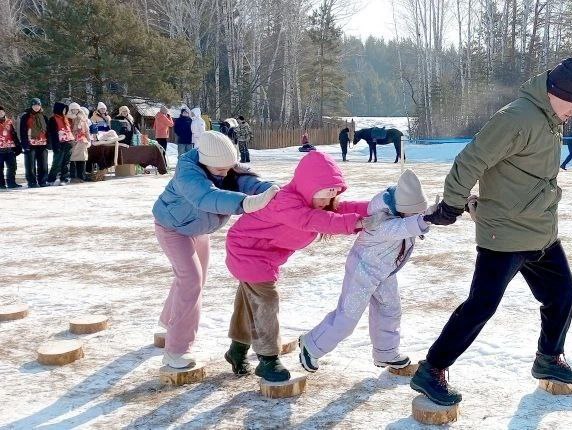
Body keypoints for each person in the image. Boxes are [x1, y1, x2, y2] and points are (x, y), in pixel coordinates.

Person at [411, 56, 572, 406]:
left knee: (562, 291)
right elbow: (471, 159)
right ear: (554, 93)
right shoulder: (515, 118)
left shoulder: (552, 118)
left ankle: (548, 358)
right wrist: (452, 203)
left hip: (539, 231)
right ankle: (431, 368)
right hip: (504, 233)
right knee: (482, 305)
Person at [223, 151, 372, 382]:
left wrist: (378, 207)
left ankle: (237, 350)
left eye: (330, 196)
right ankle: (268, 359)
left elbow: (340, 210)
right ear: (307, 187)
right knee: (266, 300)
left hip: (264, 255)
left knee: (249, 299)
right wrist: (358, 223)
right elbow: (313, 221)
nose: (325, 202)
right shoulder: (286, 201)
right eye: (322, 196)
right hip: (247, 250)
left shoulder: (318, 204)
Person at [152, 130, 279, 369]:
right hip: (172, 228)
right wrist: (246, 203)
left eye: (228, 168)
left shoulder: (224, 167)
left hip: (199, 230)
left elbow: (247, 181)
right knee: (191, 279)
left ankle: (168, 321)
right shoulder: (187, 173)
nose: (225, 173)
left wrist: (270, 189)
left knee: (192, 279)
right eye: (220, 170)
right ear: (205, 161)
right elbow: (206, 197)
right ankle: (176, 351)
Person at [298, 169, 430, 373]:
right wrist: (427, 220)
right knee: (347, 317)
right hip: (362, 271)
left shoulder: (405, 213)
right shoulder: (381, 220)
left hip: (385, 271)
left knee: (390, 309)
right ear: (401, 209)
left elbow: (412, 222)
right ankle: (312, 345)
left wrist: (437, 214)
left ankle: (386, 352)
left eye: (419, 212)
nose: (418, 215)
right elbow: (402, 228)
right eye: (414, 212)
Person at [19, 98, 49, 188]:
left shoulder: (44, 116)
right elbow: (22, 131)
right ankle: (32, 182)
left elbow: (48, 131)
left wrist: (49, 142)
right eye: (34, 105)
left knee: (43, 165)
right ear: (31, 106)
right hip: (30, 144)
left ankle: (42, 181)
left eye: (38, 105)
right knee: (30, 166)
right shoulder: (25, 116)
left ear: (40, 106)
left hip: (42, 143)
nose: (36, 107)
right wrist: (24, 144)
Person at [46, 101, 74, 186]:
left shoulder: (65, 118)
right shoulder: (53, 119)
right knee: (57, 163)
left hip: (68, 142)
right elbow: (52, 134)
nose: (65, 112)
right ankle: (51, 179)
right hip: (59, 144)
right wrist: (54, 145)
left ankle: (64, 178)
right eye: (64, 110)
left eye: (66, 110)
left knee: (66, 163)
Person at [0, 105, 22, 189]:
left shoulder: (9, 121)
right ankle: (1, 184)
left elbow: (14, 134)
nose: (0, 113)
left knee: (12, 167)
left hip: (10, 148)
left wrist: (18, 146)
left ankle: (11, 183)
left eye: (2, 112)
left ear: (4, 112)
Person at [68, 105, 91, 183]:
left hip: (82, 141)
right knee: (73, 160)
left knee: (82, 159)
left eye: (76, 109)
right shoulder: (68, 119)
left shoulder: (83, 119)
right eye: (72, 109)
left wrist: (89, 140)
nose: (74, 111)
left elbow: (87, 131)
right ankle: (73, 177)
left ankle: (81, 176)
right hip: (73, 141)